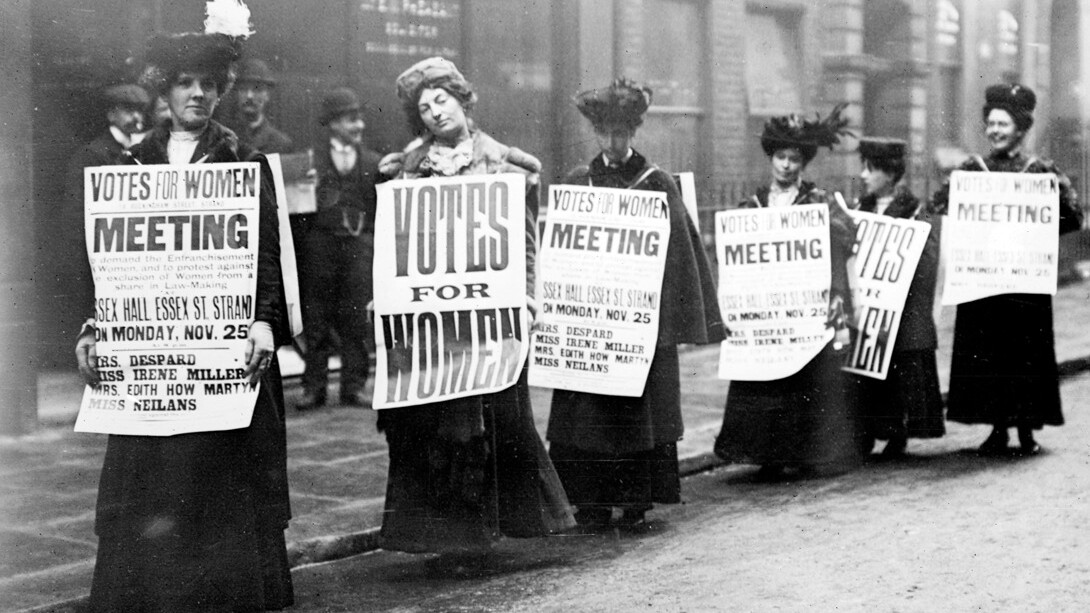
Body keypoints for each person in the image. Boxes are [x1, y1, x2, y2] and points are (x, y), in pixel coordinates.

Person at [73, 9, 295, 610]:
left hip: (223, 349)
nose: (197, 94)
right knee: (155, 475)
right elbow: (110, 262)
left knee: (220, 476)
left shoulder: (242, 160)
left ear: (221, 91)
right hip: (155, 356)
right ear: (165, 91)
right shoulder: (131, 164)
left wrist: (264, 322)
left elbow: (267, 254)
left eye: (208, 85)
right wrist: (95, 325)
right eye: (184, 83)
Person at [375, 56, 575, 563]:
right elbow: (396, 244)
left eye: (442, 100)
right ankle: (449, 537)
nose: (435, 112)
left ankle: (488, 531)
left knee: (492, 422)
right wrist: (387, 290)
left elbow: (526, 244)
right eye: (424, 107)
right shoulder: (408, 169)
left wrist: (529, 296)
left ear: (463, 101)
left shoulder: (507, 166)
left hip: (491, 320)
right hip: (433, 324)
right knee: (437, 424)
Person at [545, 78, 725, 530]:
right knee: (589, 417)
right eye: (605, 134)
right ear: (596, 135)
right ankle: (590, 501)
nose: (614, 142)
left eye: (622, 133)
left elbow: (682, 257)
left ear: (635, 133)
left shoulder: (657, 183)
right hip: (590, 323)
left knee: (634, 416)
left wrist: (663, 317)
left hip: (639, 326)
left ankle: (634, 498)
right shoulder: (576, 182)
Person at [929, 83, 1083, 456]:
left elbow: (1073, 217)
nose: (995, 130)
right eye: (991, 124)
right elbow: (940, 204)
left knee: (1024, 353)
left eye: (1004, 124)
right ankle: (997, 427)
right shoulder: (971, 170)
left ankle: (1027, 428)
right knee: (990, 354)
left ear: (1020, 128)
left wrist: (1040, 224)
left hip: (1024, 285)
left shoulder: (1041, 171)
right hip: (983, 282)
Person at [713, 105, 859, 480]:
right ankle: (767, 453)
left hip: (805, 308)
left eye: (794, 159)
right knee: (767, 379)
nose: (786, 166)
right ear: (770, 158)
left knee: (806, 377)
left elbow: (848, 235)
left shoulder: (818, 201)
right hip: (767, 310)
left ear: (803, 163)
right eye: (781, 157)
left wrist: (830, 225)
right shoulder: (753, 205)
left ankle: (806, 452)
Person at [851, 137, 944, 457]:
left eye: (871, 169)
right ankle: (865, 431)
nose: (863, 176)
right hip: (867, 305)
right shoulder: (859, 207)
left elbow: (926, 260)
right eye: (863, 168)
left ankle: (895, 432)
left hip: (898, 309)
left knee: (894, 371)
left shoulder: (914, 211)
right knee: (862, 369)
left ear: (890, 175)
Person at [296, 87, 382, 410]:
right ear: (332, 124)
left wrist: (368, 240)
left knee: (357, 318)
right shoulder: (311, 161)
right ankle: (314, 387)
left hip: (359, 247)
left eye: (359, 119)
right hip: (321, 246)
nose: (359, 125)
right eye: (350, 119)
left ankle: (354, 386)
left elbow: (378, 209)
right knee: (316, 318)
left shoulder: (373, 162)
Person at [63, 83, 152, 353]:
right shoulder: (91, 155)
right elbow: (75, 220)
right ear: (111, 115)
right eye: (128, 110)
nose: (137, 118)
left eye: (140, 111)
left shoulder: (147, 153)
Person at [226, 57, 294, 154]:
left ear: (267, 95)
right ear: (236, 94)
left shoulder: (281, 144)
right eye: (244, 89)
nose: (249, 96)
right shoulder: (222, 139)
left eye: (257, 89)